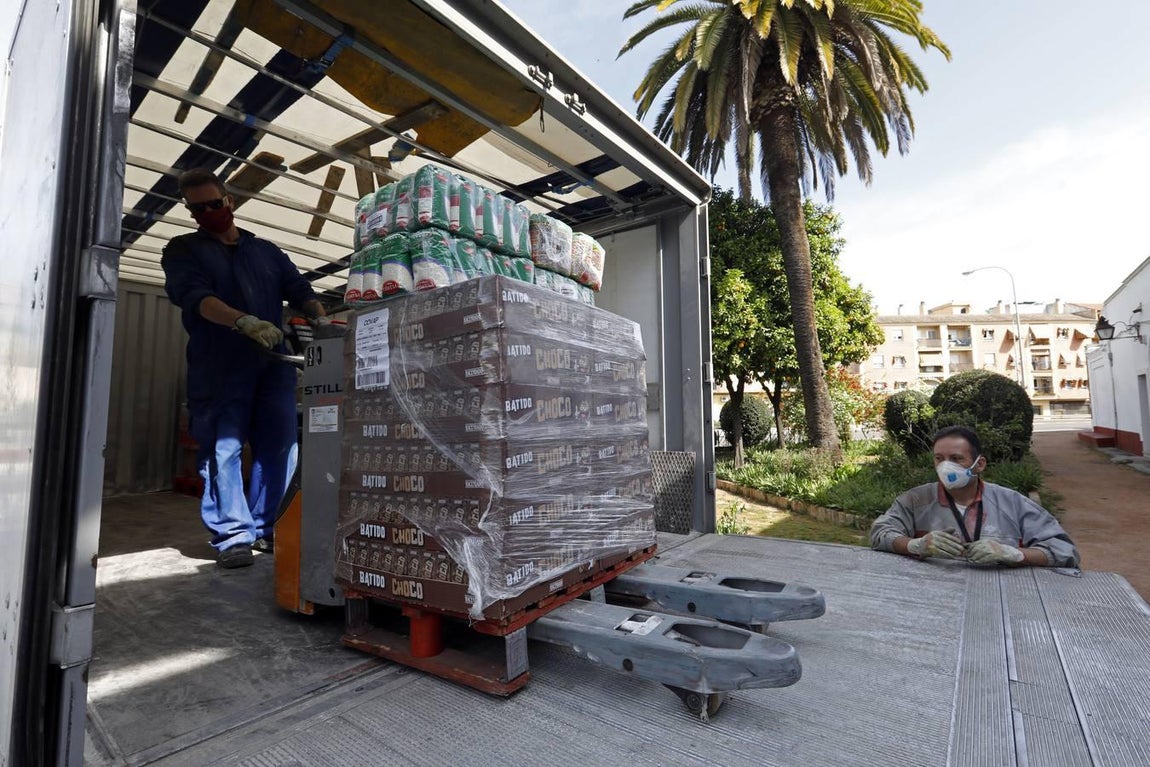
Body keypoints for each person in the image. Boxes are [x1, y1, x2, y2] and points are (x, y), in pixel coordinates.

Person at [162, 168, 327, 568]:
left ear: (229, 201)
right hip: (219, 363)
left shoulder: (265, 251)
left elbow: (299, 289)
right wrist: (242, 321)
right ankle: (233, 535)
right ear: (191, 212)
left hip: (273, 364)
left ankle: (270, 528)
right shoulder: (183, 250)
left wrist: (321, 319)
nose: (208, 213)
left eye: (214, 204)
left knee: (280, 446)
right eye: (198, 209)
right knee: (224, 448)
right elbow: (194, 296)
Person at [870, 425, 1080, 567]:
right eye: (939, 459)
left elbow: (1065, 551)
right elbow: (880, 533)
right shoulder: (915, 500)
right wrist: (915, 545)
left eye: (956, 458)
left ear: (979, 464)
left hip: (1002, 595)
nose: (945, 467)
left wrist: (1014, 554)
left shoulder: (1013, 503)